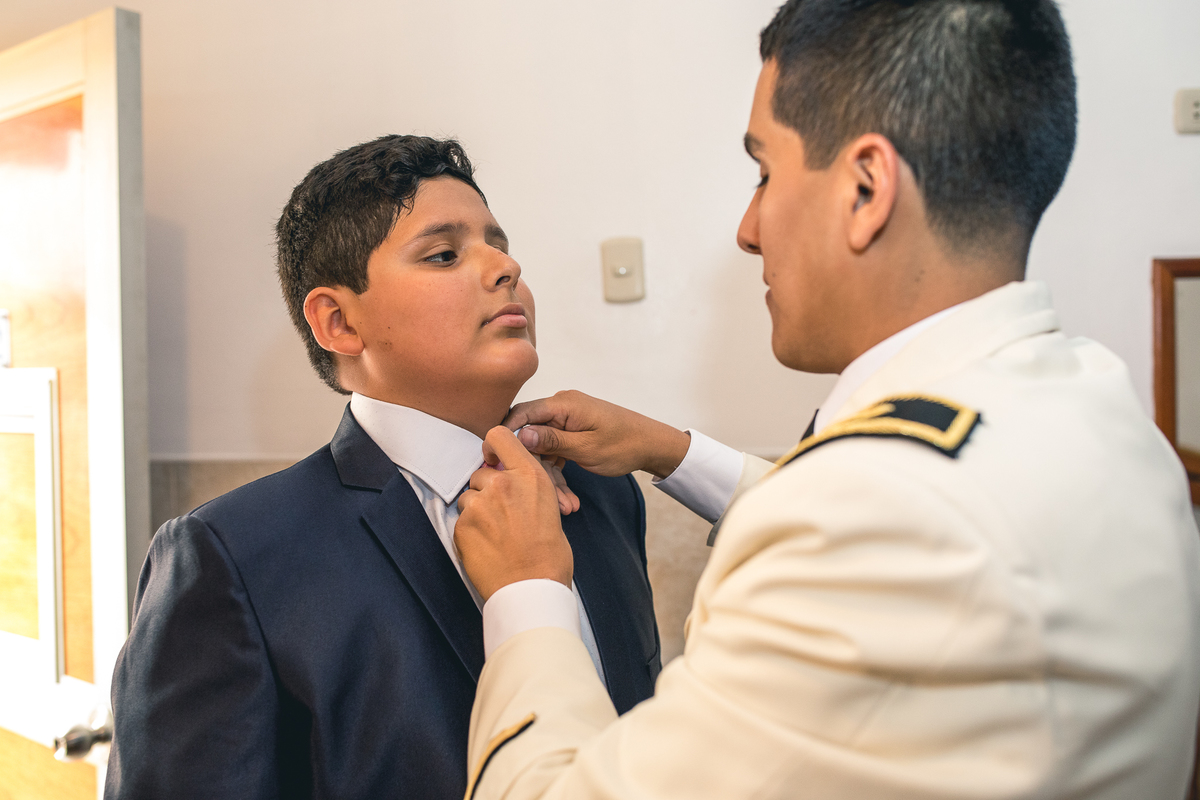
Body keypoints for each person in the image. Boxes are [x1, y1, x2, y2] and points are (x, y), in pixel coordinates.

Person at [451, 2, 1200, 798]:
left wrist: (527, 589)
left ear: (867, 188)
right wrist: (672, 452)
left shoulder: (873, 522)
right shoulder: (1097, 402)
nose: (747, 228)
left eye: (765, 173)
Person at [105, 135, 661, 800]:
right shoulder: (234, 558)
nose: (506, 266)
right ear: (339, 322)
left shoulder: (603, 493)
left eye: (499, 243)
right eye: (444, 254)